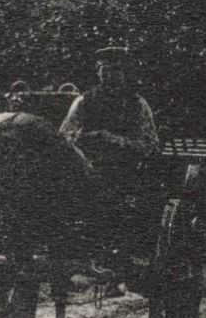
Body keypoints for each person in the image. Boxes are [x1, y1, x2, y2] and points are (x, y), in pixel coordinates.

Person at [60, 45, 164, 268]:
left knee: (128, 201)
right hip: (87, 167)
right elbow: (63, 138)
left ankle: (128, 252)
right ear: (97, 72)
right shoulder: (83, 102)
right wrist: (78, 138)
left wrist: (116, 140)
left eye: (116, 70)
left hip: (126, 171)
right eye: (104, 70)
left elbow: (151, 145)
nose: (110, 75)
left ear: (124, 72)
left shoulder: (137, 104)